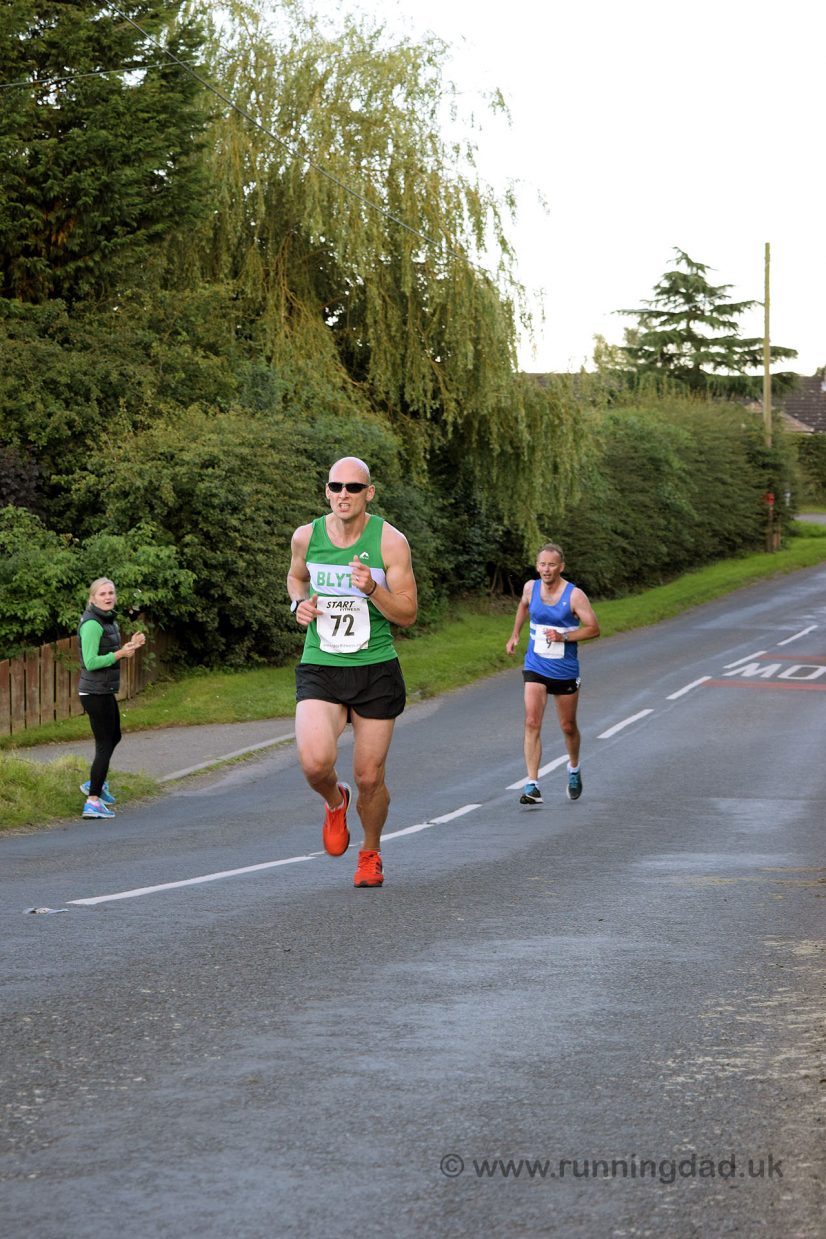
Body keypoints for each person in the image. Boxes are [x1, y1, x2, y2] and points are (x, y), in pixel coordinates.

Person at [287, 457, 417, 887]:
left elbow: (408, 613)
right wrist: (298, 603)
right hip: (321, 664)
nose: (344, 494)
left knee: (368, 776)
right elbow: (295, 577)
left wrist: (373, 589)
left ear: (369, 493)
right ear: (326, 491)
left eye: (353, 487)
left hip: (374, 667)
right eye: (336, 486)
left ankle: (371, 851)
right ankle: (333, 800)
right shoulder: (307, 536)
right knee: (313, 763)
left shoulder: (390, 542)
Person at [506, 543, 600, 805]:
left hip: (565, 669)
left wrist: (564, 636)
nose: (546, 569)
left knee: (568, 727)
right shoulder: (530, 587)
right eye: (542, 564)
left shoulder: (574, 595)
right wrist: (515, 634)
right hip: (535, 665)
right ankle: (533, 784)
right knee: (532, 721)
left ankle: (573, 767)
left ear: (561, 567)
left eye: (552, 565)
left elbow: (593, 629)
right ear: (537, 566)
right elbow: (524, 606)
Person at [77, 578, 145, 819]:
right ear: (92, 598)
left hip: (103, 690)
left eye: (111, 593)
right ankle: (92, 800)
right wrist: (120, 654)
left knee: (114, 736)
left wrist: (130, 647)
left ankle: (95, 783)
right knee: (105, 743)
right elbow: (90, 661)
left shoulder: (107, 621)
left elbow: (109, 653)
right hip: (94, 693)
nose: (108, 597)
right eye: (103, 594)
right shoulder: (92, 624)